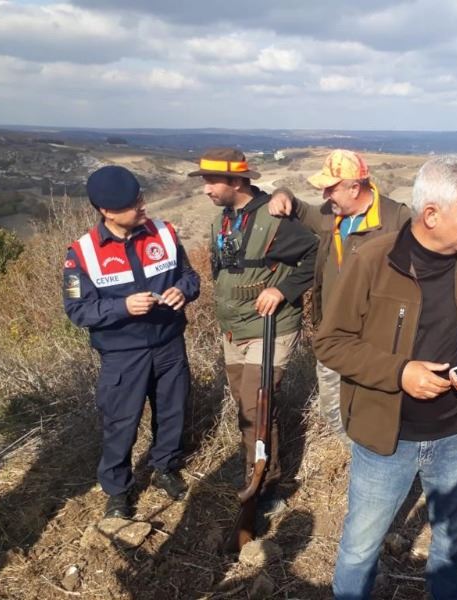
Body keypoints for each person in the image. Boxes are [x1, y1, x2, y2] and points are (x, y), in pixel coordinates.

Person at [314, 156, 457, 599]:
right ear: (432, 214)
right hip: (386, 440)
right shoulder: (372, 262)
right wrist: (399, 372)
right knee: (360, 549)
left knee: (452, 546)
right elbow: (331, 342)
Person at [63, 165, 200, 519]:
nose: (142, 207)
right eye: (133, 204)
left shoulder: (164, 233)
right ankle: (118, 491)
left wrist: (182, 290)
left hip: (169, 344)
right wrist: (122, 307)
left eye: (141, 199)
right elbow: (78, 310)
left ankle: (165, 468)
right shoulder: (82, 253)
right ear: (107, 211)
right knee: (120, 423)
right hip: (122, 355)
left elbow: (190, 277)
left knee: (172, 412)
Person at [188, 148, 317, 511]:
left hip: (270, 328)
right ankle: (253, 467)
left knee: (256, 406)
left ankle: (267, 486)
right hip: (234, 329)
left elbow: (317, 254)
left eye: (212, 181)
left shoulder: (274, 219)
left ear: (237, 181)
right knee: (247, 407)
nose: (206, 189)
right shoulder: (224, 219)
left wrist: (283, 290)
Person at [268, 149, 410, 439]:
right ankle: (357, 454)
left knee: (376, 407)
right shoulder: (329, 214)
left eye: (331, 189)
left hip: (377, 338)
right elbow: (296, 207)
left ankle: (378, 455)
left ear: (354, 188)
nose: (325, 196)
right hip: (334, 332)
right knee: (333, 409)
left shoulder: (397, 219)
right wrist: (282, 193)